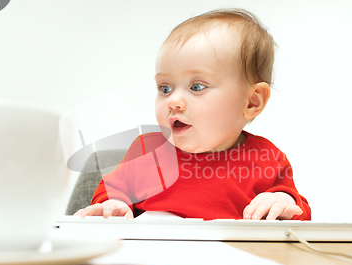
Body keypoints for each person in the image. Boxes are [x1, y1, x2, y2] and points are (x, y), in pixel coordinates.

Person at [74, 8, 311, 220]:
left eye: (196, 87)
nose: (173, 101)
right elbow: (109, 191)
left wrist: (284, 203)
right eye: (164, 88)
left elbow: (299, 210)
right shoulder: (147, 152)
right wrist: (113, 204)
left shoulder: (267, 159)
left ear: (252, 101)